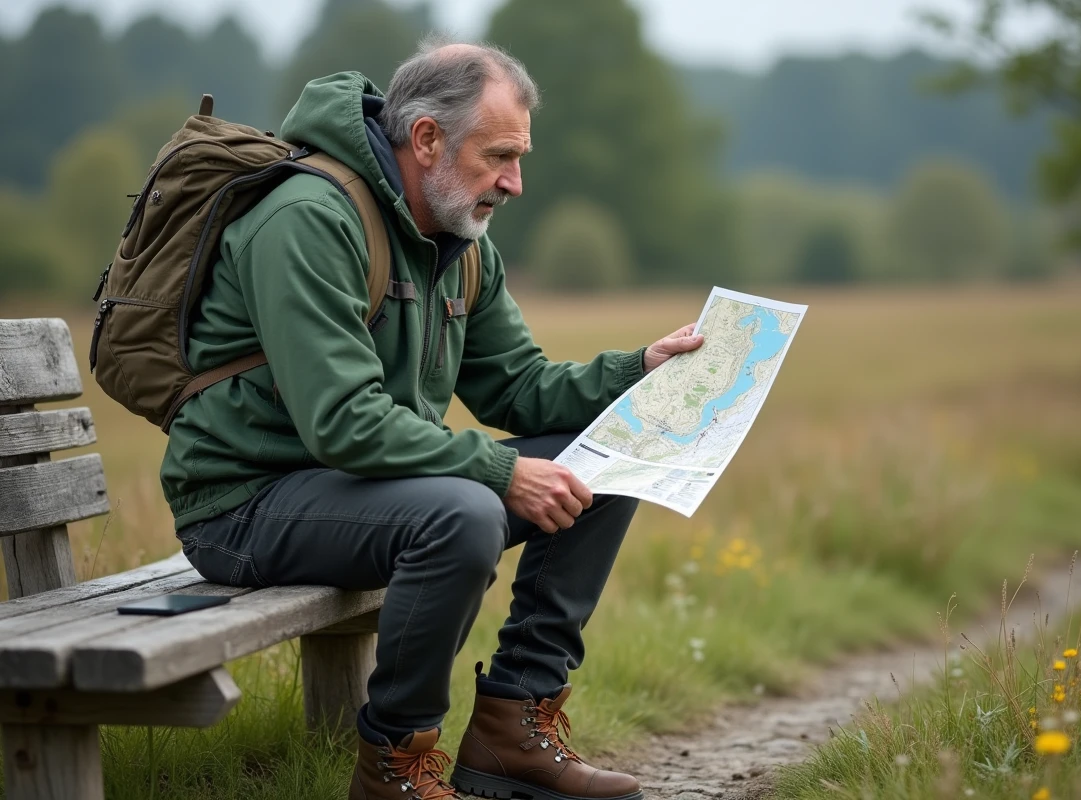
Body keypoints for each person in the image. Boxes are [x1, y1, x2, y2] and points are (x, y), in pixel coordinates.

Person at [163, 38, 703, 800]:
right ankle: (395, 767)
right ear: (425, 140)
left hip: (364, 490)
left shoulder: (461, 236)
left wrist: (633, 373)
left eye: (519, 157)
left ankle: (512, 729)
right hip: (247, 505)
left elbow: (518, 387)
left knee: (605, 455)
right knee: (461, 513)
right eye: (500, 156)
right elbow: (344, 421)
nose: (515, 182)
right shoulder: (308, 217)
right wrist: (499, 470)